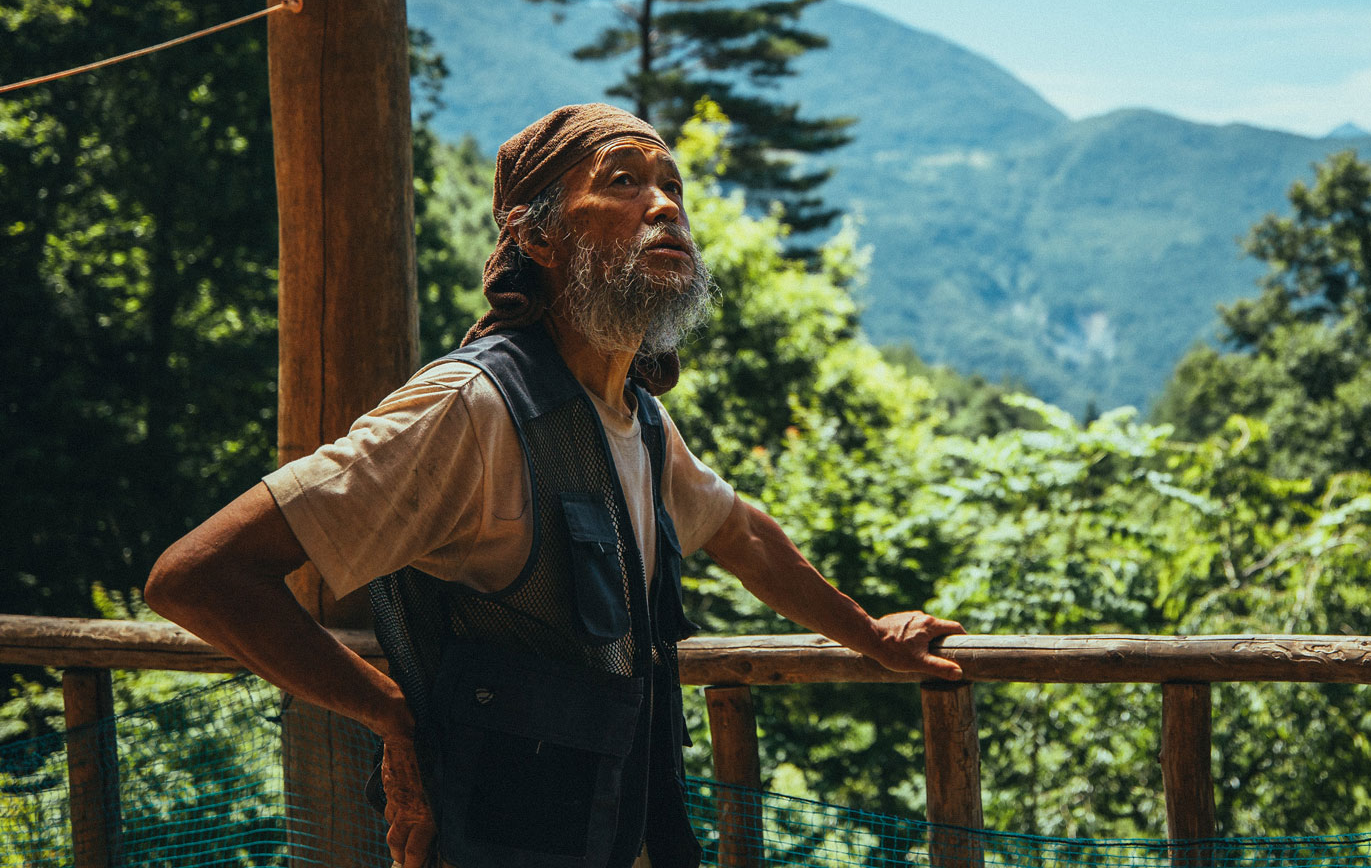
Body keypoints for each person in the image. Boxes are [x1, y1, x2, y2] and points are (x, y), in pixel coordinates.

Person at [145, 103, 965, 868]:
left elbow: (740, 532)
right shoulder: (471, 409)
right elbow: (199, 576)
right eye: (624, 180)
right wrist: (392, 715)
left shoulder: (635, 419)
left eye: (672, 185)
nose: (665, 204)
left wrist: (872, 638)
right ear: (534, 237)